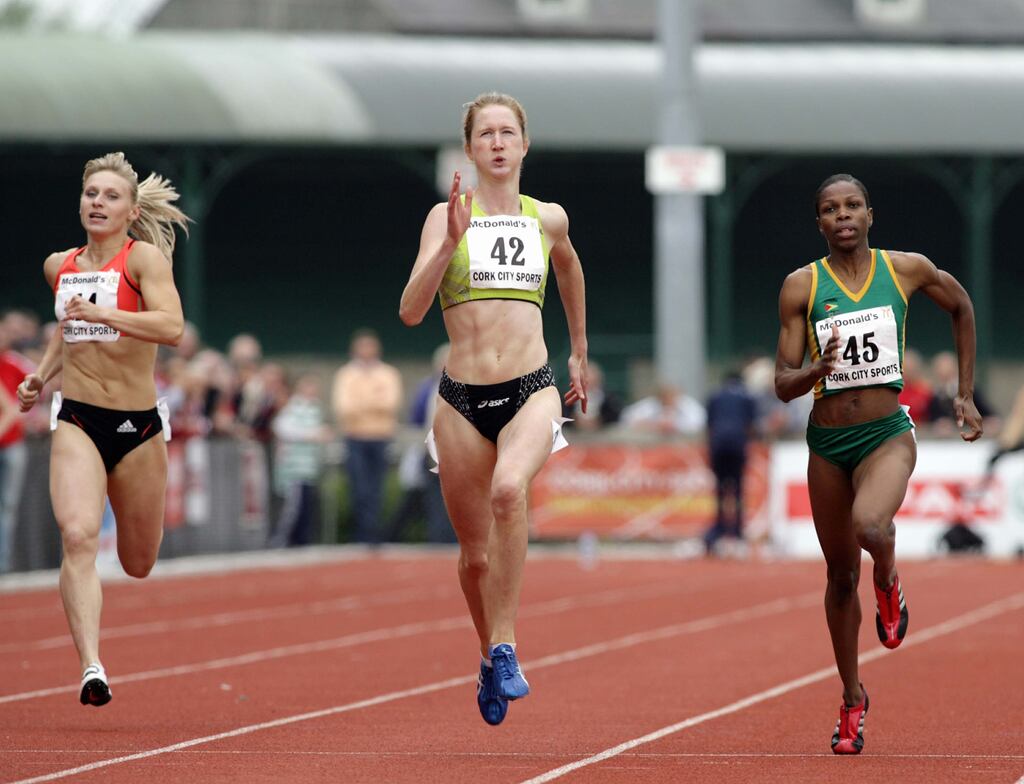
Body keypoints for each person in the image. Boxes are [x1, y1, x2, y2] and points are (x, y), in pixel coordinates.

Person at [774, 173, 982, 754]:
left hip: (887, 435)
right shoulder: (800, 287)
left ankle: (888, 579)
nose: (842, 215)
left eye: (852, 206)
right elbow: (781, 383)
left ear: (870, 214)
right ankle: (851, 698)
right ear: (818, 222)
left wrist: (964, 393)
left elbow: (961, 306)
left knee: (871, 528)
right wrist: (815, 371)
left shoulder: (906, 269)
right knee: (840, 579)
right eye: (829, 209)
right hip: (827, 445)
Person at [399, 92, 588, 726]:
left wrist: (579, 351)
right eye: (487, 134)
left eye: (509, 132)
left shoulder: (548, 218)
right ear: (471, 148)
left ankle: (505, 646)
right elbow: (410, 310)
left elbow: (569, 270)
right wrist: (448, 244)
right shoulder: (444, 216)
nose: (499, 143)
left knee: (511, 490)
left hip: (531, 386)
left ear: (525, 145)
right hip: (460, 400)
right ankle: (486, 652)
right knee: (475, 557)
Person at [16, 151, 189, 707]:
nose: (99, 203)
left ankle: (98, 648)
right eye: (92, 194)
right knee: (78, 535)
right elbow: (66, 331)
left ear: (131, 209)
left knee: (139, 562)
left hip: (137, 426)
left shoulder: (145, 262)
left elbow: (172, 327)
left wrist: (108, 313)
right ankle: (92, 665)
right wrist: (40, 378)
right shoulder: (58, 265)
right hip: (78, 417)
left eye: (111, 196)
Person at [331, 329, 402, 544]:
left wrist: (362, 402)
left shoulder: (389, 373)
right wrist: (374, 400)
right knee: (359, 487)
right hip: (354, 437)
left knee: (376, 488)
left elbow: (391, 404)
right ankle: (362, 534)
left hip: (380, 437)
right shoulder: (345, 374)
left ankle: (374, 536)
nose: (366, 351)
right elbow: (344, 408)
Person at [702, 370, 758, 555]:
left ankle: (719, 530)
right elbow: (750, 426)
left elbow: (709, 426)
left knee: (720, 490)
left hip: (718, 445)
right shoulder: (747, 397)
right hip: (737, 445)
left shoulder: (714, 396)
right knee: (738, 490)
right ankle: (737, 532)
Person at [620, 381, 705, 437]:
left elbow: (698, 423)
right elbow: (626, 418)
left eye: (671, 396)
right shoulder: (650, 404)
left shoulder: (689, 405)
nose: (668, 399)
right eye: (664, 396)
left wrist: (675, 426)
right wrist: (652, 425)